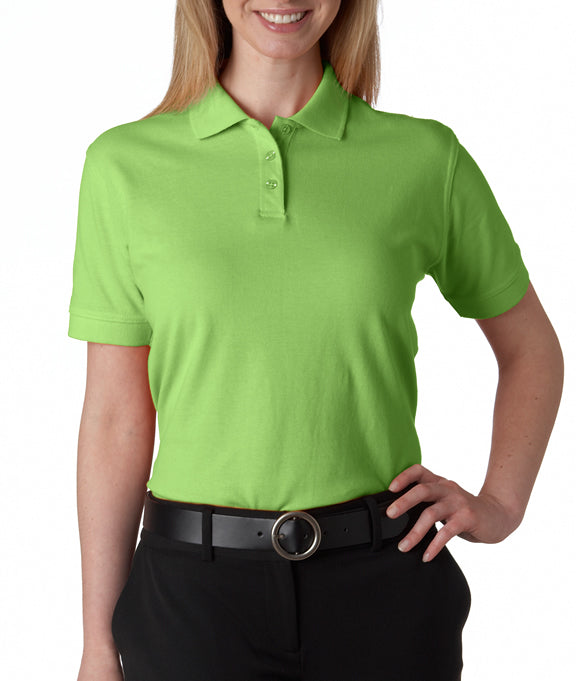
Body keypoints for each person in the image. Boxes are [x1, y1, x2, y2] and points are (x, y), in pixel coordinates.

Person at [70, 2, 563, 680]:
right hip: (191, 605)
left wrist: (500, 503)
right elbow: (115, 415)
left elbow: (532, 348)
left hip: (386, 591)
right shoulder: (124, 166)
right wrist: (98, 644)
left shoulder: (425, 158)